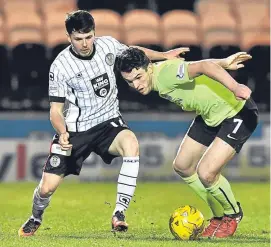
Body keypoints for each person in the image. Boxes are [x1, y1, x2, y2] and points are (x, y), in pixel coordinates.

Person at [18, 10, 189, 237]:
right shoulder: (61, 66)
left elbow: (134, 54)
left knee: (131, 144)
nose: (85, 43)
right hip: (75, 130)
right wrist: (62, 132)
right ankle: (35, 217)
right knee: (47, 187)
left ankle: (119, 213)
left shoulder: (108, 46)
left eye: (89, 37)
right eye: (78, 39)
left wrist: (165, 55)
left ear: (94, 33)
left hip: (108, 122)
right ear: (69, 37)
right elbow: (55, 111)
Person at [116, 47, 258, 238]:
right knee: (183, 166)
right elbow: (196, 67)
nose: (136, 85)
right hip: (210, 115)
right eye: (130, 81)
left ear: (148, 67)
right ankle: (218, 216)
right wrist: (224, 62)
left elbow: (204, 66)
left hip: (237, 112)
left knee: (207, 173)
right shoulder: (156, 73)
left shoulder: (165, 75)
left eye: (139, 77)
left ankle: (233, 214)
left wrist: (235, 87)